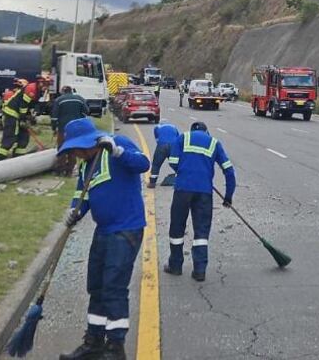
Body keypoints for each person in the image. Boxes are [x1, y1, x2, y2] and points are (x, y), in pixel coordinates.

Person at [57, 118, 150, 360]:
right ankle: (94, 342)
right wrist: (74, 210)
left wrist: (118, 152)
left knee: (113, 288)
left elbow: (142, 163)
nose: (75, 153)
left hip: (126, 229)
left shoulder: (116, 143)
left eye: (77, 148)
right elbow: (82, 193)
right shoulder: (87, 165)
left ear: (88, 142)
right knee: (96, 287)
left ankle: (115, 347)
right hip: (104, 230)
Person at [163, 121, 236, 281]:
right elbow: (229, 171)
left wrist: (184, 172)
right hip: (204, 192)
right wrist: (228, 196)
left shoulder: (183, 138)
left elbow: (173, 162)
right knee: (201, 232)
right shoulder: (215, 143)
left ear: (192, 130)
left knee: (177, 228)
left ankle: (175, 266)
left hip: (182, 190)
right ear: (206, 132)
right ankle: (200, 270)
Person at [0, 78, 33, 159]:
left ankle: (17, 156)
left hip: (14, 117)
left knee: (22, 136)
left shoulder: (10, 93)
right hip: (12, 117)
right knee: (10, 137)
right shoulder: (13, 94)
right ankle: (1, 156)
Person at [148, 122, 181, 188]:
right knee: (176, 163)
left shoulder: (157, 127)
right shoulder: (174, 127)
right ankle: (181, 179)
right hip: (173, 146)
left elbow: (157, 139)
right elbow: (178, 138)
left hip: (162, 145)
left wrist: (161, 146)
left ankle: (152, 183)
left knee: (156, 164)